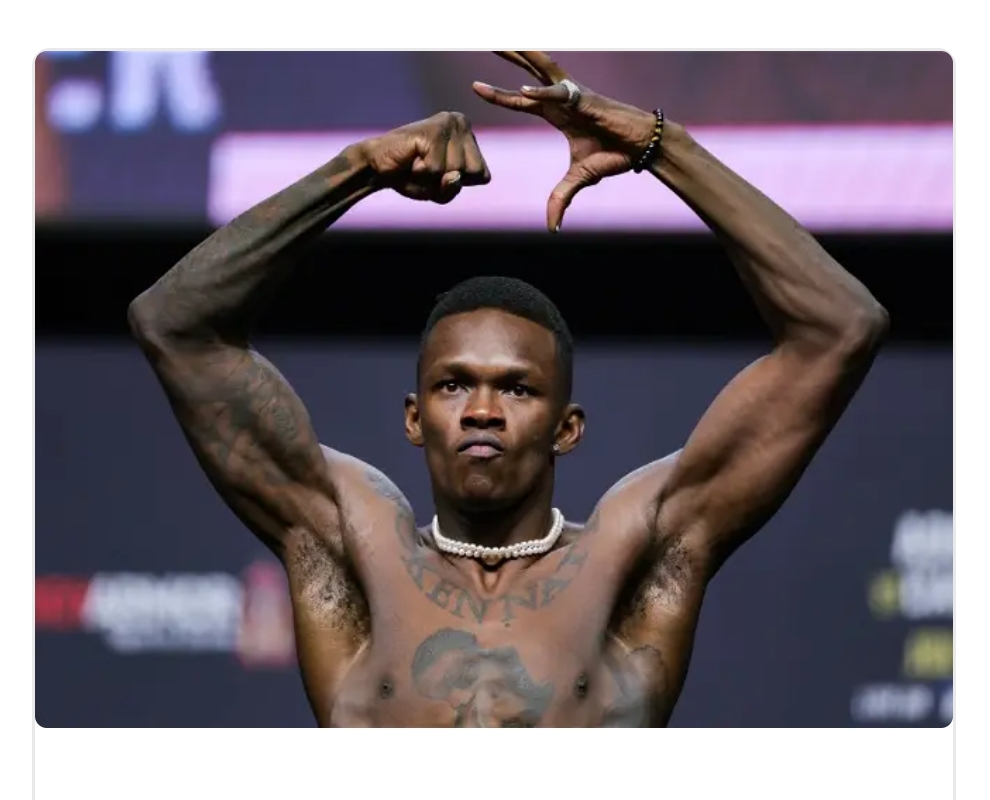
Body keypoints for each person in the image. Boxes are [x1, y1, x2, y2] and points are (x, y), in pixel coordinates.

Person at [128, 51, 888, 727]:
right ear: (414, 418)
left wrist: (662, 146)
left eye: (518, 390)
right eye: (454, 385)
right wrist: (358, 168)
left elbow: (841, 327)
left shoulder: (635, 558)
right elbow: (173, 323)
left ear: (567, 427)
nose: (483, 411)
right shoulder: (348, 548)